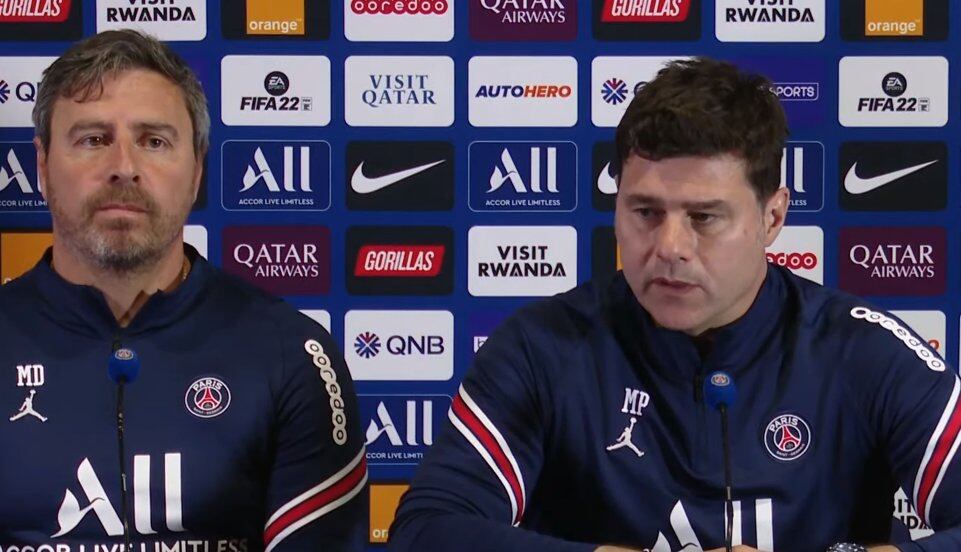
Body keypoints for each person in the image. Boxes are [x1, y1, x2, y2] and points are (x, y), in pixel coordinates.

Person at [389, 58, 961, 551]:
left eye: (703, 218)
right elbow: (428, 530)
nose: (668, 248)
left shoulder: (865, 350)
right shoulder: (543, 345)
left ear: (773, 217)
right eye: (645, 213)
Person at [0, 30, 366, 551]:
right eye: (93, 139)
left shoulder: (290, 356)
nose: (123, 167)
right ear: (41, 166)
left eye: (154, 141)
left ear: (196, 169)